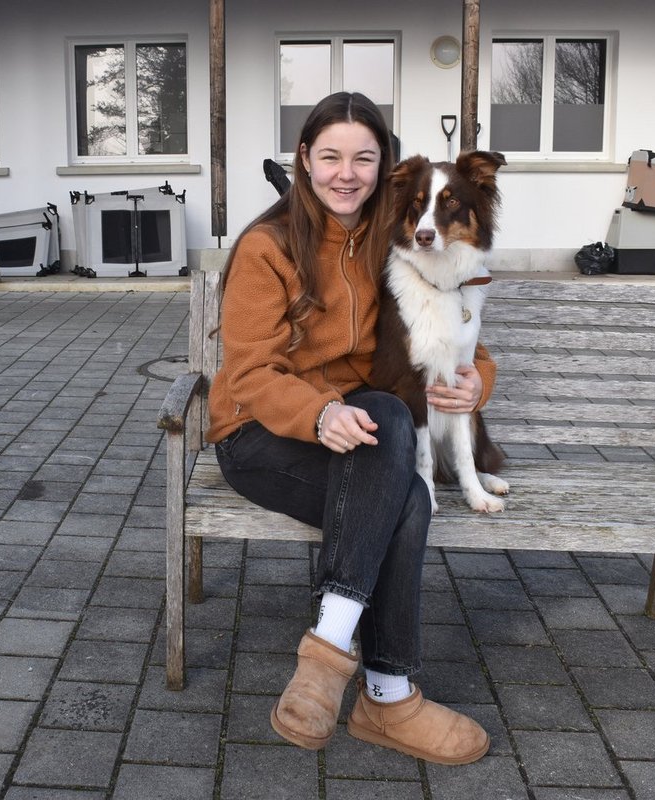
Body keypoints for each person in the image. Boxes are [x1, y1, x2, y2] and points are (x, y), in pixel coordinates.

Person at [206, 91, 494, 764]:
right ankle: (386, 696)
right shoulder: (268, 245)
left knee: (391, 417)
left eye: (364, 158)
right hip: (260, 433)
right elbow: (248, 372)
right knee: (407, 498)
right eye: (331, 156)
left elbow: (447, 322)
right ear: (305, 159)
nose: (346, 173)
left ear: (383, 164)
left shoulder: (393, 236)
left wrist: (479, 377)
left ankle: (330, 660)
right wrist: (318, 412)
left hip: (357, 425)